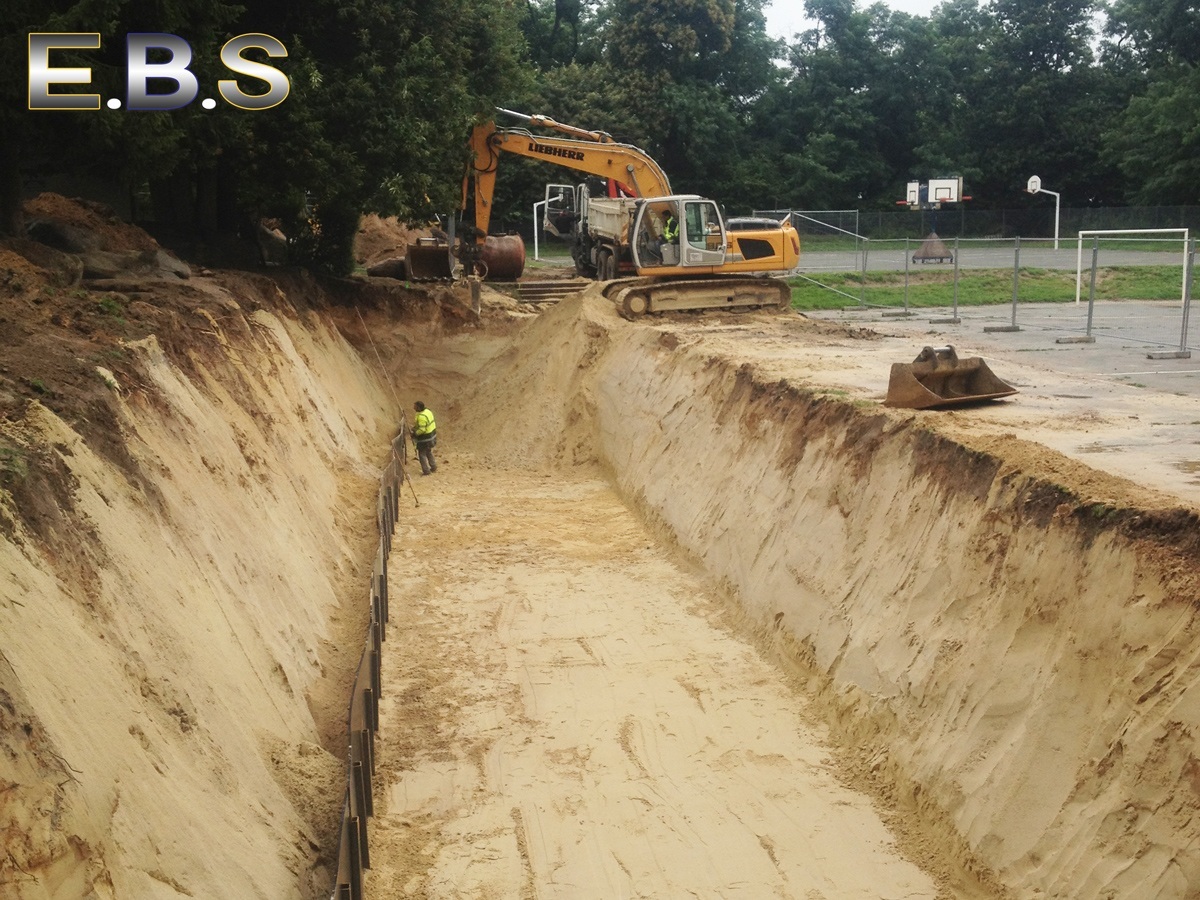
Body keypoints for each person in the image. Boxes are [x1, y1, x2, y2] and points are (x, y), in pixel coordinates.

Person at [412, 401, 437, 475]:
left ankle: (426, 471)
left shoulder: (422, 417)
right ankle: (433, 466)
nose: (413, 408)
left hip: (425, 438)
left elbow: (422, 429)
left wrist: (415, 433)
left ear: (419, 408)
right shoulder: (428, 411)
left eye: (415, 406)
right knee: (428, 451)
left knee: (422, 454)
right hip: (432, 436)